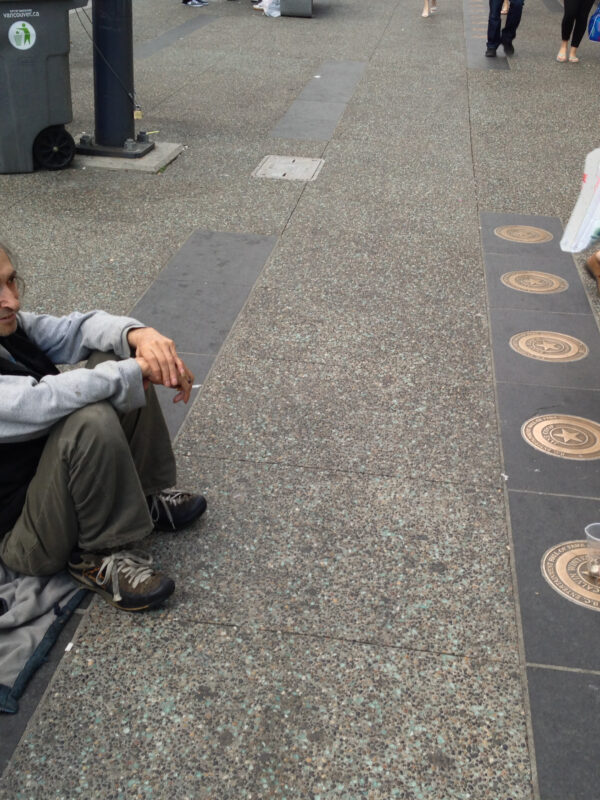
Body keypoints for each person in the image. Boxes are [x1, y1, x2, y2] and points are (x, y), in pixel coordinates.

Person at [0, 242, 207, 612]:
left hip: (49, 489)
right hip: (25, 537)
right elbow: (37, 402)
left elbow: (78, 328)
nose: (12, 301)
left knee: (115, 353)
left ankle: (143, 497)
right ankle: (99, 554)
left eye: (11, 281)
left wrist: (140, 336)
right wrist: (135, 371)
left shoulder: (11, 327)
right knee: (90, 416)